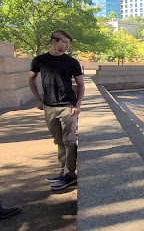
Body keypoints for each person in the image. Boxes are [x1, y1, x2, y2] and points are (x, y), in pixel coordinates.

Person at [29, 30, 84, 191]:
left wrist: (77, 106)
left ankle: (70, 175)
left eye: (68, 42)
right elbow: (31, 79)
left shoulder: (72, 62)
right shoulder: (40, 60)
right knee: (59, 141)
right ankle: (63, 171)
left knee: (69, 141)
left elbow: (81, 84)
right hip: (49, 106)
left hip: (68, 106)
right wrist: (38, 99)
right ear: (55, 41)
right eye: (64, 42)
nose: (67, 45)